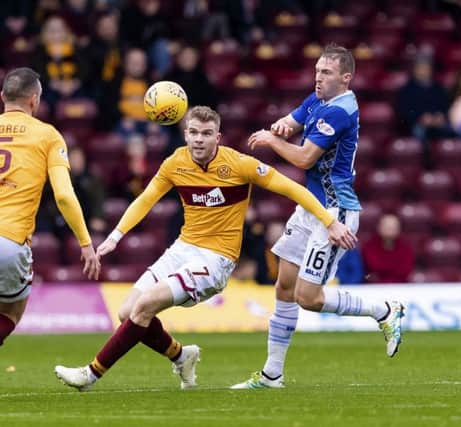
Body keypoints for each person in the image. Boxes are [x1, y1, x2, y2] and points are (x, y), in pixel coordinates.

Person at [53, 105, 357, 391]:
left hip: (216, 260)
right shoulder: (175, 162)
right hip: (182, 249)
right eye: (194, 132)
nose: (199, 139)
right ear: (186, 134)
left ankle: (90, 374)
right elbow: (145, 199)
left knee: (144, 306)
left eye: (206, 133)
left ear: (218, 137)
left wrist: (329, 222)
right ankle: (181, 356)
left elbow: (294, 189)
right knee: (126, 312)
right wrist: (116, 236)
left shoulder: (239, 165)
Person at [231, 44, 405, 390]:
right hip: (311, 205)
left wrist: (271, 140)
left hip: (335, 210)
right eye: (316, 71)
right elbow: (294, 118)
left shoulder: (339, 111)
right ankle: (272, 374)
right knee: (283, 283)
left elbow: (304, 158)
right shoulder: (319, 99)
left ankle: (383, 310)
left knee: (308, 298)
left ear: (346, 78)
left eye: (326, 73)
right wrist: (282, 125)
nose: (318, 78)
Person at [0, 67, 100, 347]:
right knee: (11, 310)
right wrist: (85, 242)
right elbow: (65, 196)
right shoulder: (48, 135)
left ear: (2, 97)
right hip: (9, 239)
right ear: (34, 100)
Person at [361, 214, 415, 284]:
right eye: (387, 227)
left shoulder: (406, 247)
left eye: (393, 227)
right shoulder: (368, 247)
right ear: (379, 227)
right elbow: (371, 268)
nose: (390, 230)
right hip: (374, 286)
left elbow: (405, 270)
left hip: (400, 286)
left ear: (399, 229)